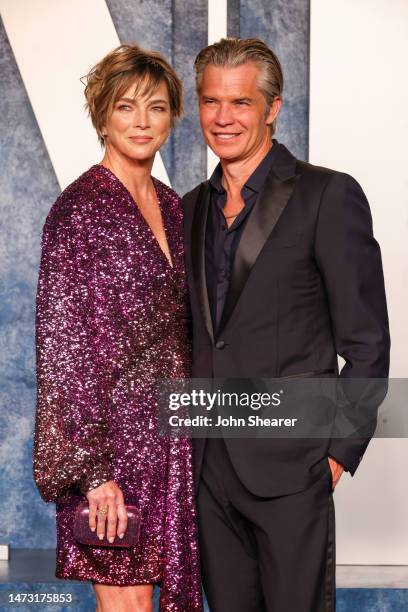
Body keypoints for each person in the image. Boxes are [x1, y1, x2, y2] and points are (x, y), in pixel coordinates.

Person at [182, 37, 390, 611]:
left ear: (272, 108)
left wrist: (336, 455)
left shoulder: (327, 195)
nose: (223, 118)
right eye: (210, 102)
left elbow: (368, 342)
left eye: (241, 103)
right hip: (208, 467)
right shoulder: (189, 207)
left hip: (292, 468)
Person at [33, 44, 202, 612]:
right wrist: (93, 471)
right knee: (126, 604)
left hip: (172, 440)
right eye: (126, 107)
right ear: (102, 116)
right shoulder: (78, 210)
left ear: (172, 117)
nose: (141, 121)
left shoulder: (174, 207)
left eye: (155, 107)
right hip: (110, 449)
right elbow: (63, 350)